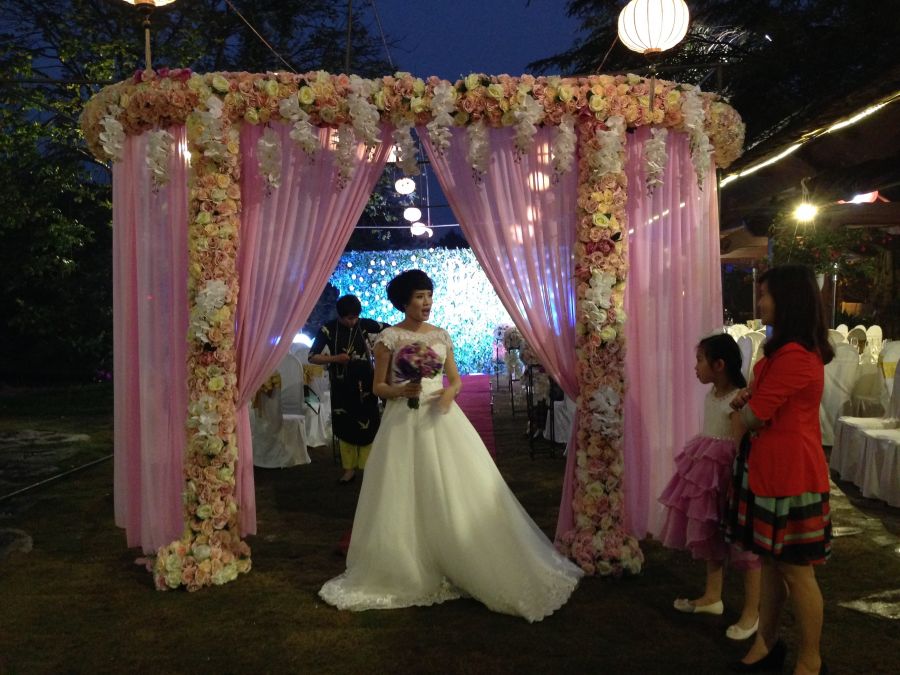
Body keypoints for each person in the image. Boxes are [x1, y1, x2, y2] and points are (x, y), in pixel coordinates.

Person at [319, 269, 583, 621]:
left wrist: (448, 394)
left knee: (454, 486)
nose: (426, 302)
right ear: (404, 301)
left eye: (429, 295)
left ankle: (457, 551)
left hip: (441, 418)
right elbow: (378, 386)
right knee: (402, 490)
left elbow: (455, 380)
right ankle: (408, 561)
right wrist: (401, 390)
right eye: (419, 296)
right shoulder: (388, 338)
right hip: (402, 422)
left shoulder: (440, 334)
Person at [727, 265, 834, 675]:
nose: (760, 302)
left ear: (787, 301)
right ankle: (766, 644)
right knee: (771, 565)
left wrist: (744, 411)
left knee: (796, 571)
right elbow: (756, 404)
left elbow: (755, 415)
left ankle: (810, 660)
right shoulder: (783, 352)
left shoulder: (796, 356)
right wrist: (749, 403)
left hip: (792, 476)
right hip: (771, 471)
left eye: (766, 294)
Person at [658, 334, 761, 640]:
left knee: (743, 544)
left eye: (700, 360)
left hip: (728, 474)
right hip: (707, 471)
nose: (695, 366)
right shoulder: (712, 395)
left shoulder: (739, 399)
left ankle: (752, 611)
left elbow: (741, 444)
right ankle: (712, 595)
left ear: (719, 365)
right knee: (710, 531)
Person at [308, 294, 389, 483]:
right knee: (346, 427)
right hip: (342, 385)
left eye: (356, 317)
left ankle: (368, 468)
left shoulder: (364, 324)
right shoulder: (328, 329)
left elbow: (389, 329)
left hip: (367, 383)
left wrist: (379, 346)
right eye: (349, 318)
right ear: (340, 315)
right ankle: (349, 469)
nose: (353, 322)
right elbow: (312, 357)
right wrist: (335, 359)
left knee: (369, 426)